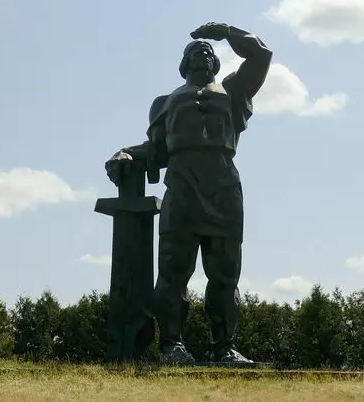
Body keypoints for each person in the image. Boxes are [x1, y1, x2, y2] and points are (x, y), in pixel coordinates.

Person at [104, 22, 271, 365]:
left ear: (217, 63)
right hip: (181, 185)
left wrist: (225, 31)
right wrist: (125, 152)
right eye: (196, 50)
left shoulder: (235, 92)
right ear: (183, 64)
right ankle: (171, 345)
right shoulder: (165, 103)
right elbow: (155, 150)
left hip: (223, 184)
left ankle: (224, 347)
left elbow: (260, 54)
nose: (203, 53)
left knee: (225, 273)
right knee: (173, 270)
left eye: (208, 52)